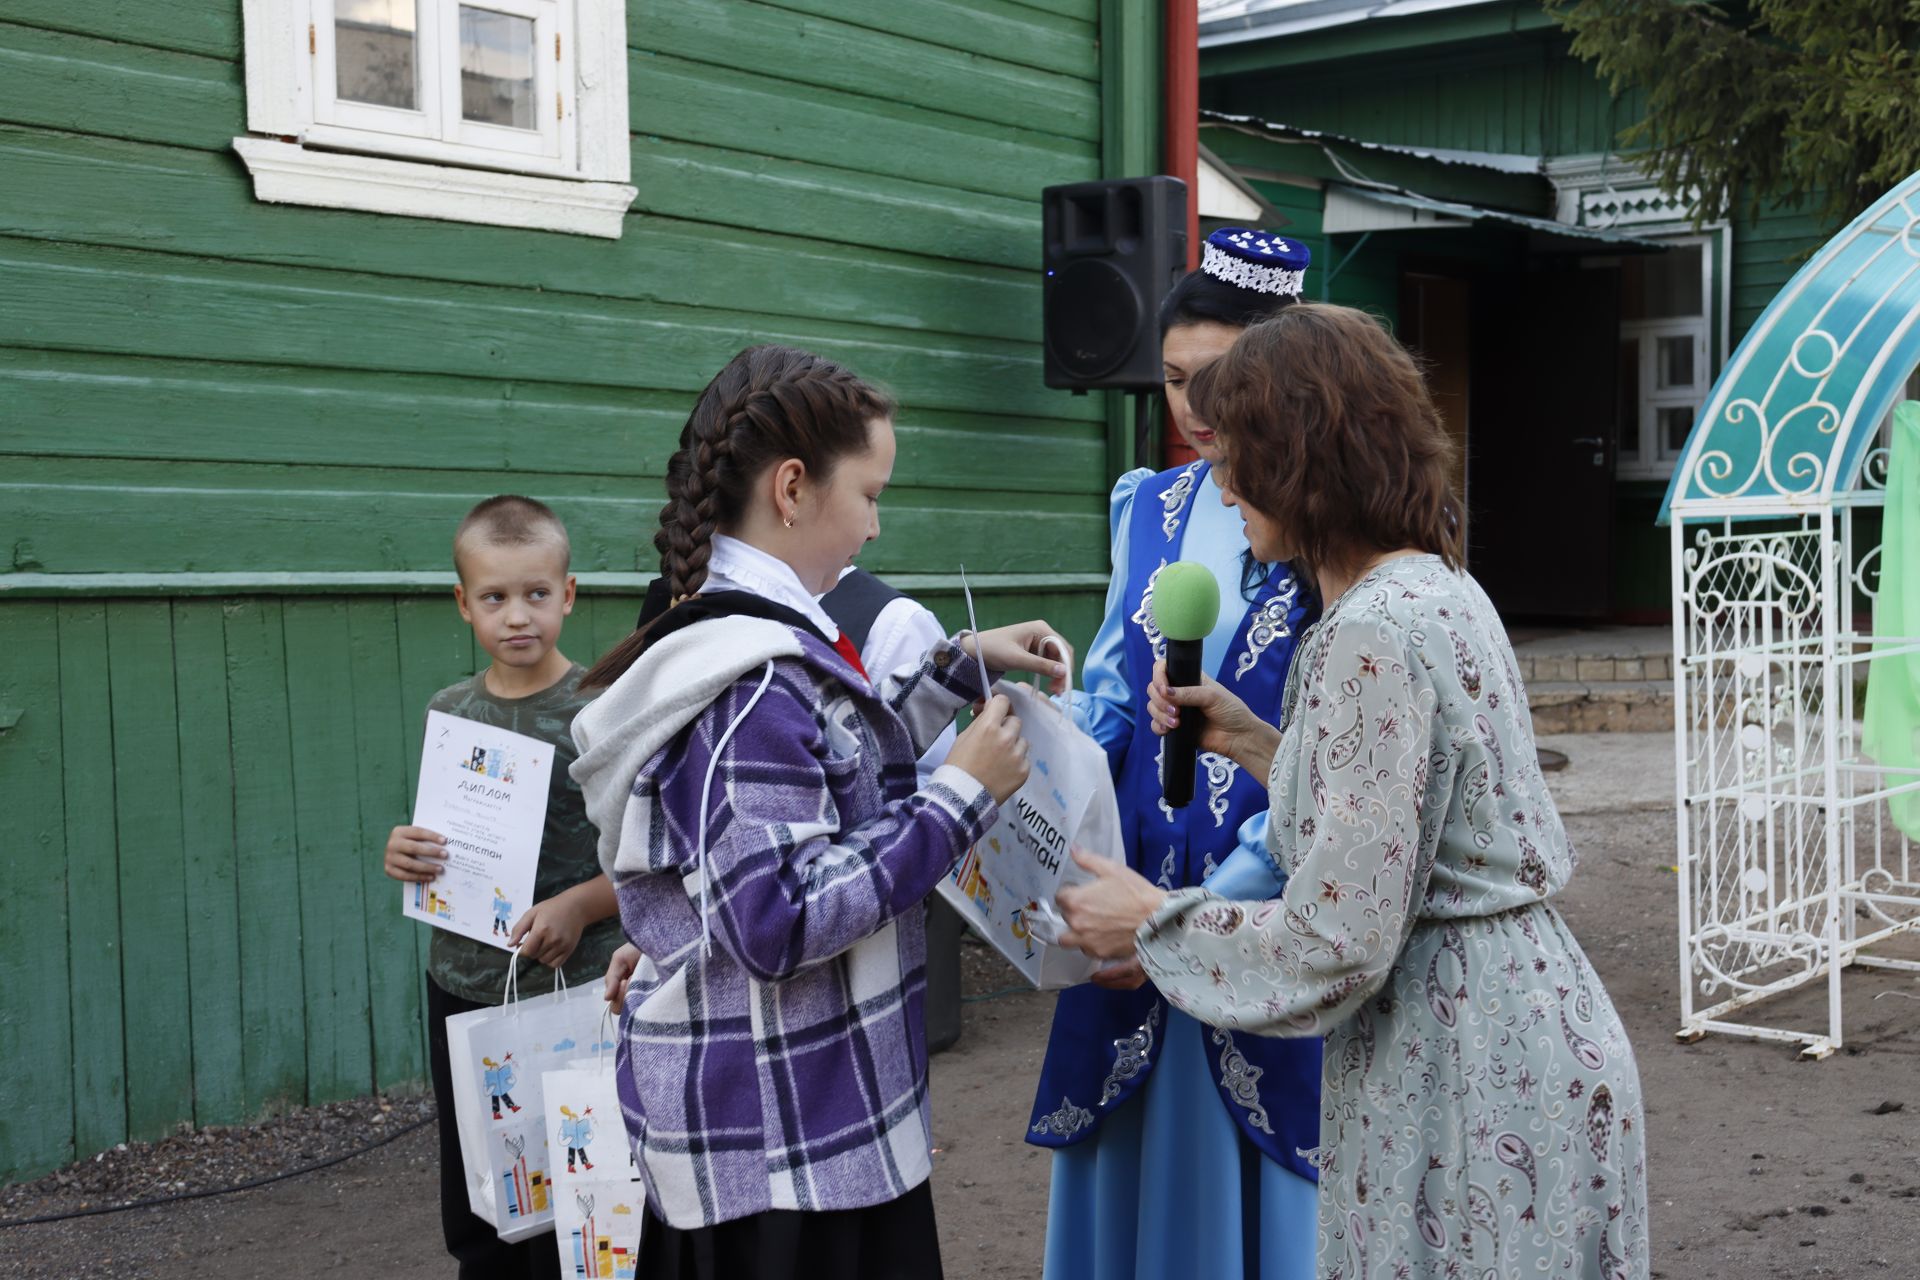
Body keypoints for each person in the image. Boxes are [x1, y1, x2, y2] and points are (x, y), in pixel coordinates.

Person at [1055, 305, 1650, 1279]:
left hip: (1467, 1064)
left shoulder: (1368, 632)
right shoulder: (1437, 585)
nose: (1222, 478)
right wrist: (1250, 739)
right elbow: (1415, 819)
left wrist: (1154, 925)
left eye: (1239, 449)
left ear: (1298, 457)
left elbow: (1339, 938)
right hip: (1525, 1031)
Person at [571, 343, 1071, 1280]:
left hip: (799, 1138)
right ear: (793, 488)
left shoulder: (749, 646)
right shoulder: (749, 684)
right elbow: (775, 919)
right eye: (871, 494)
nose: (876, 529)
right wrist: (958, 795)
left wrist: (957, 668)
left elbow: (830, 770)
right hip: (786, 1167)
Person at [1028, 227, 1322, 1280]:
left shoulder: (1333, 523)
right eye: (1172, 380)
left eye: (1217, 381)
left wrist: (1199, 916)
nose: (1193, 410)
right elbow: (1110, 687)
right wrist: (1037, 769)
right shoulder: (1148, 505)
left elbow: (1334, 761)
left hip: (1268, 891)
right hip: (1132, 870)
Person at [381, 494, 624, 1280]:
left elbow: (650, 861)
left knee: (585, 1192)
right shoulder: (450, 712)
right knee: (484, 1196)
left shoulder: (600, 711)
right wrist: (407, 851)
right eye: (494, 597)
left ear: (569, 593)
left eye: (536, 594)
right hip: (465, 989)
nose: (517, 616)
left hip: (576, 993)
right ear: (463, 603)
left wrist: (579, 907)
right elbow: (443, 844)